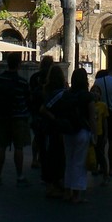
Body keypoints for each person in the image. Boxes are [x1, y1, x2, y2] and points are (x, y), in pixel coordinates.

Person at [0, 52, 32, 187]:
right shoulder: (22, 81)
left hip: (3, 117)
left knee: (1, 147)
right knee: (19, 147)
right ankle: (19, 175)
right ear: (19, 64)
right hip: (19, 117)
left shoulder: (0, 79)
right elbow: (28, 100)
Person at [58, 68, 96, 204]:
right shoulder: (87, 96)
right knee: (79, 163)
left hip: (68, 131)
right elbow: (92, 117)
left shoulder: (66, 95)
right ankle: (77, 194)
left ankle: (67, 191)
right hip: (82, 131)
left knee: (69, 161)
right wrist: (95, 134)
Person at [39, 65, 67, 199]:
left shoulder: (47, 89)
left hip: (50, 127)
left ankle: (56, 182)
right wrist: (54, 118)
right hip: (54, 126)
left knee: (55, 154)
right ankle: (51, 186)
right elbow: (44, 109)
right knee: (55, 154)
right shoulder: (58, 92)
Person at [94, 68, 112, 176]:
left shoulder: (98, 82)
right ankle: (111, 168)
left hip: (100, 114)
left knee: (100, 142)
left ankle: (100, 166)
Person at [29, 55, 54, 169]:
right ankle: (43, 158)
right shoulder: (53, 76)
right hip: (49, 109)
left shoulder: (34, 76)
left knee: (37, 136)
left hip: (35, 110)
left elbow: (30, 92)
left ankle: (35, 159)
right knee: (49, 136)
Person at [90, 84, 109, 185]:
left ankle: (105, 174)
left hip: (100, 133)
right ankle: (95, 168)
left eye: (97, 91)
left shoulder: (102, 105)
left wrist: (106, 135)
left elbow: (104, 121)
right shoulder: (89, 104)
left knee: (100, 154)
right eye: (93, 91)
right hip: (91, 133)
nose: (95, 93)